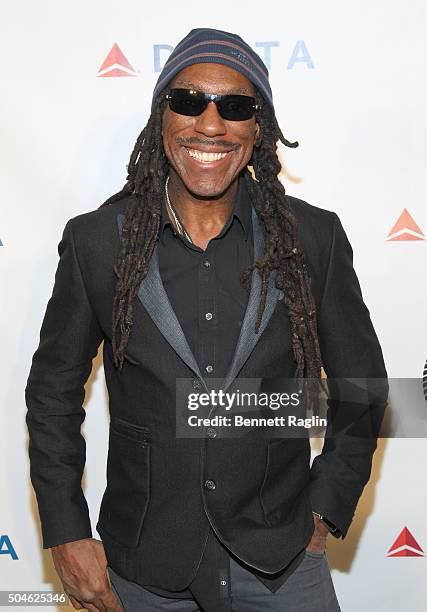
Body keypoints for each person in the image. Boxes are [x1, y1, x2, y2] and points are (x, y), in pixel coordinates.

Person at [25, 27, 389, 611]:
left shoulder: (312, 239)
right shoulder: (98, 242)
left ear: (259, 128)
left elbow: (363, 388)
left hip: (282, 561)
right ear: (161, 115)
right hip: (145, 564)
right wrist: (67, 531)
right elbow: (51, 394)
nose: (211, 124)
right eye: (189, 101)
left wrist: (325, 504)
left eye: (236, 106)